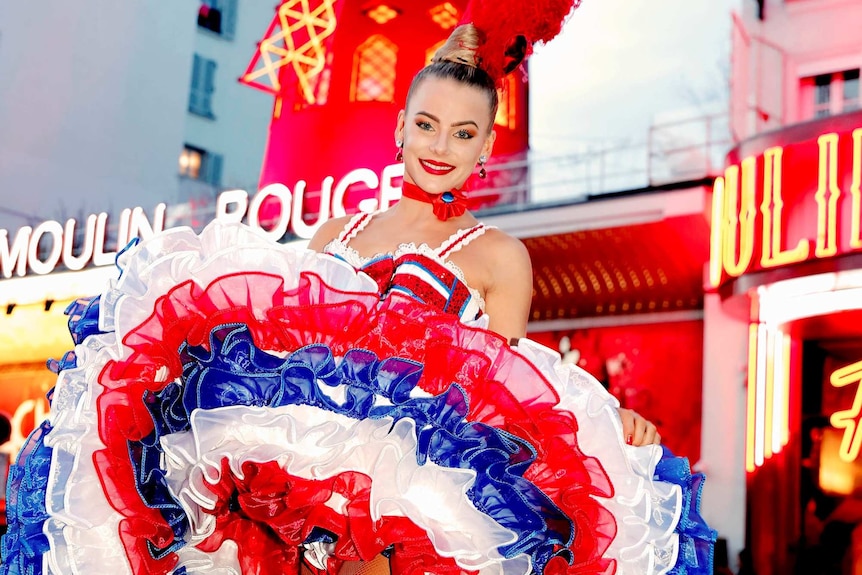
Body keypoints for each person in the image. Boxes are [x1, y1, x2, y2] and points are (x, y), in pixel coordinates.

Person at [1, 3, 714, 575]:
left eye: (463, 133)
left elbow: (507, 396)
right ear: (400, 127)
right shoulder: (334, 233)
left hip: (409, 496)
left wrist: (606, 416)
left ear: (485, 147)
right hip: (287, 477)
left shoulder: (500, 257)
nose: (440, 146)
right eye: (428, 124)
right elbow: (269, 345)